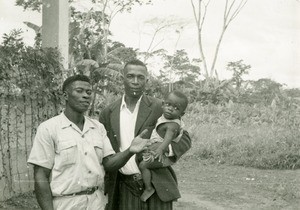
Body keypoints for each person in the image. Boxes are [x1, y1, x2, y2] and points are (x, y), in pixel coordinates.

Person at [27, 75, 150, 210]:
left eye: (89, 92)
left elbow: (109, 164)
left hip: (96, 203)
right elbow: (40, 175)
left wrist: (129, 151)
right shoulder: (49, 128)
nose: (86, 96)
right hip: (65, 204)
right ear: (65, 96)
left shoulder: (97, 128)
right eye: (79, 91)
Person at [99, 59, 192, 210]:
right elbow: (106, 154)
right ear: (122, 78)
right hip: (125, 186)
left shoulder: (160, 106)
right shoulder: (108, 113)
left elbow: (184, 139)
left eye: (140, 77)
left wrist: (162, 148)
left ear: (146, 80)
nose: (135, 81)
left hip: (158, 184)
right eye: (130, 76)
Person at [138, 90, 189, 202]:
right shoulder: (163, 117)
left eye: (176, 108)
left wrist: (160, 149)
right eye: (168, 105)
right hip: (153, 150)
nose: (170, 109)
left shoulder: (172, 124)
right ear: (163, 104)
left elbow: (167, 140)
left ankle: (148, 188)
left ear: (182, 114)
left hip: (160, 154)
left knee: (143, 165)